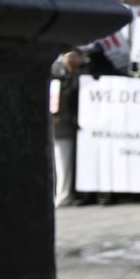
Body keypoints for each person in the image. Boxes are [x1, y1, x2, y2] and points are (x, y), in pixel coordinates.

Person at [50, 48, 85, 207]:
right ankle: (60, 195)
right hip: (60, 125)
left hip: (72, 126)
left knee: (65, 164)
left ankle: (64, 195)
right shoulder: (57, 77)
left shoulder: (83, 76)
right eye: (67, 56)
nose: (70, 59)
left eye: (73, 56)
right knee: (60, 164)